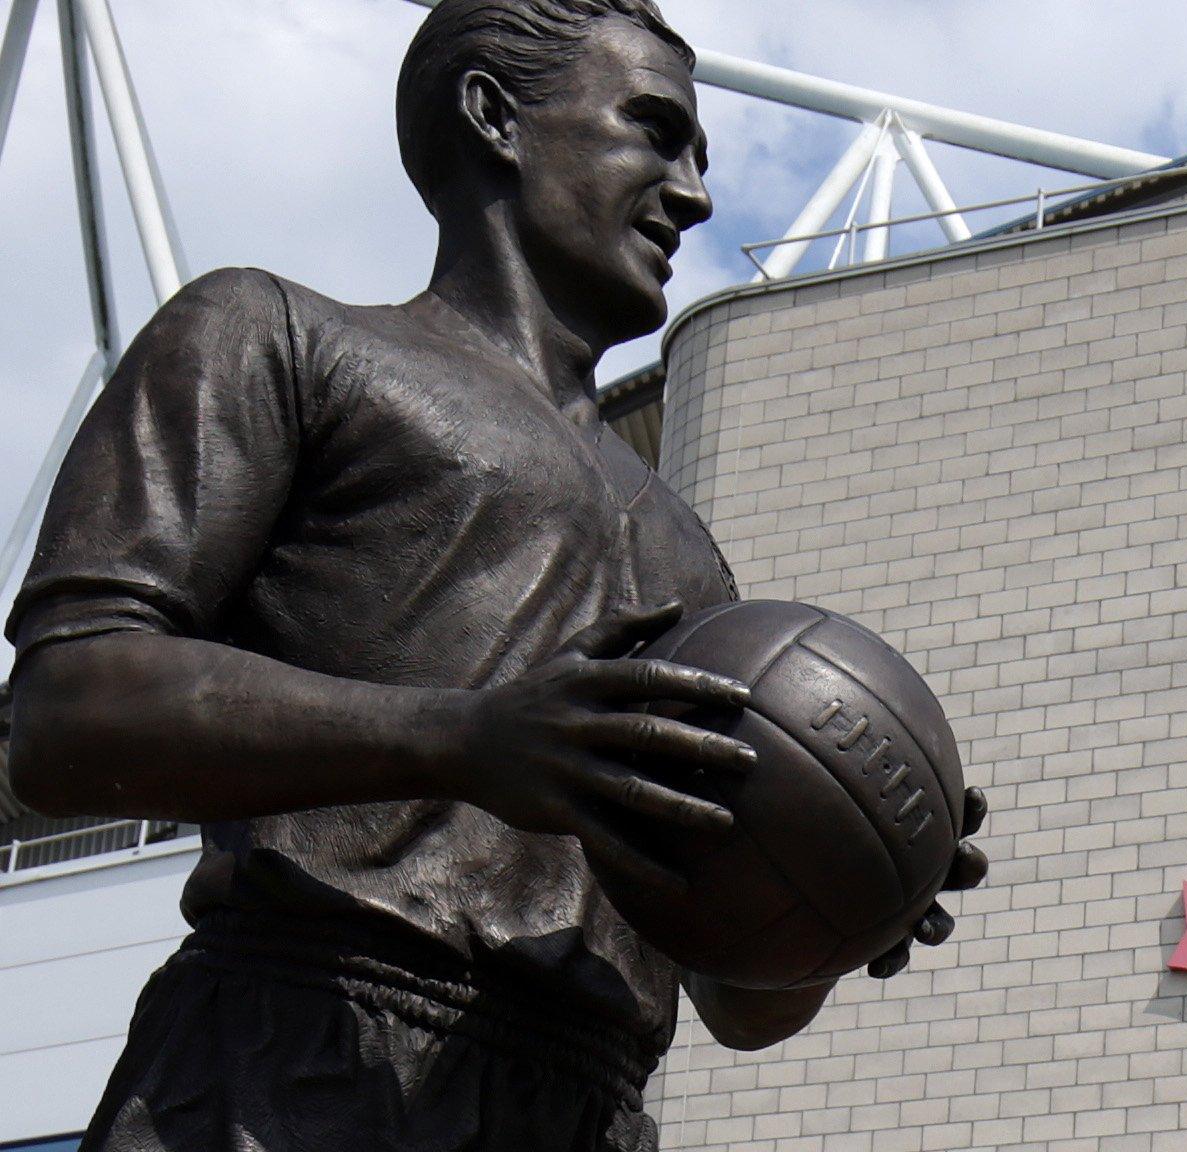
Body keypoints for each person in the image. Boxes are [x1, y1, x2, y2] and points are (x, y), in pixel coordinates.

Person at [3, 2, 986, 1149]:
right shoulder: (278, 336)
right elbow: (64, 716)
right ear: (493, 116)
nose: (697, 195)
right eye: (655, 133)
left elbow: (733, 1004)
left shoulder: (694, 563)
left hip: (583, 1111)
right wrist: (462, 738)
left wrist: (839, 903)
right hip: (295, 1056)